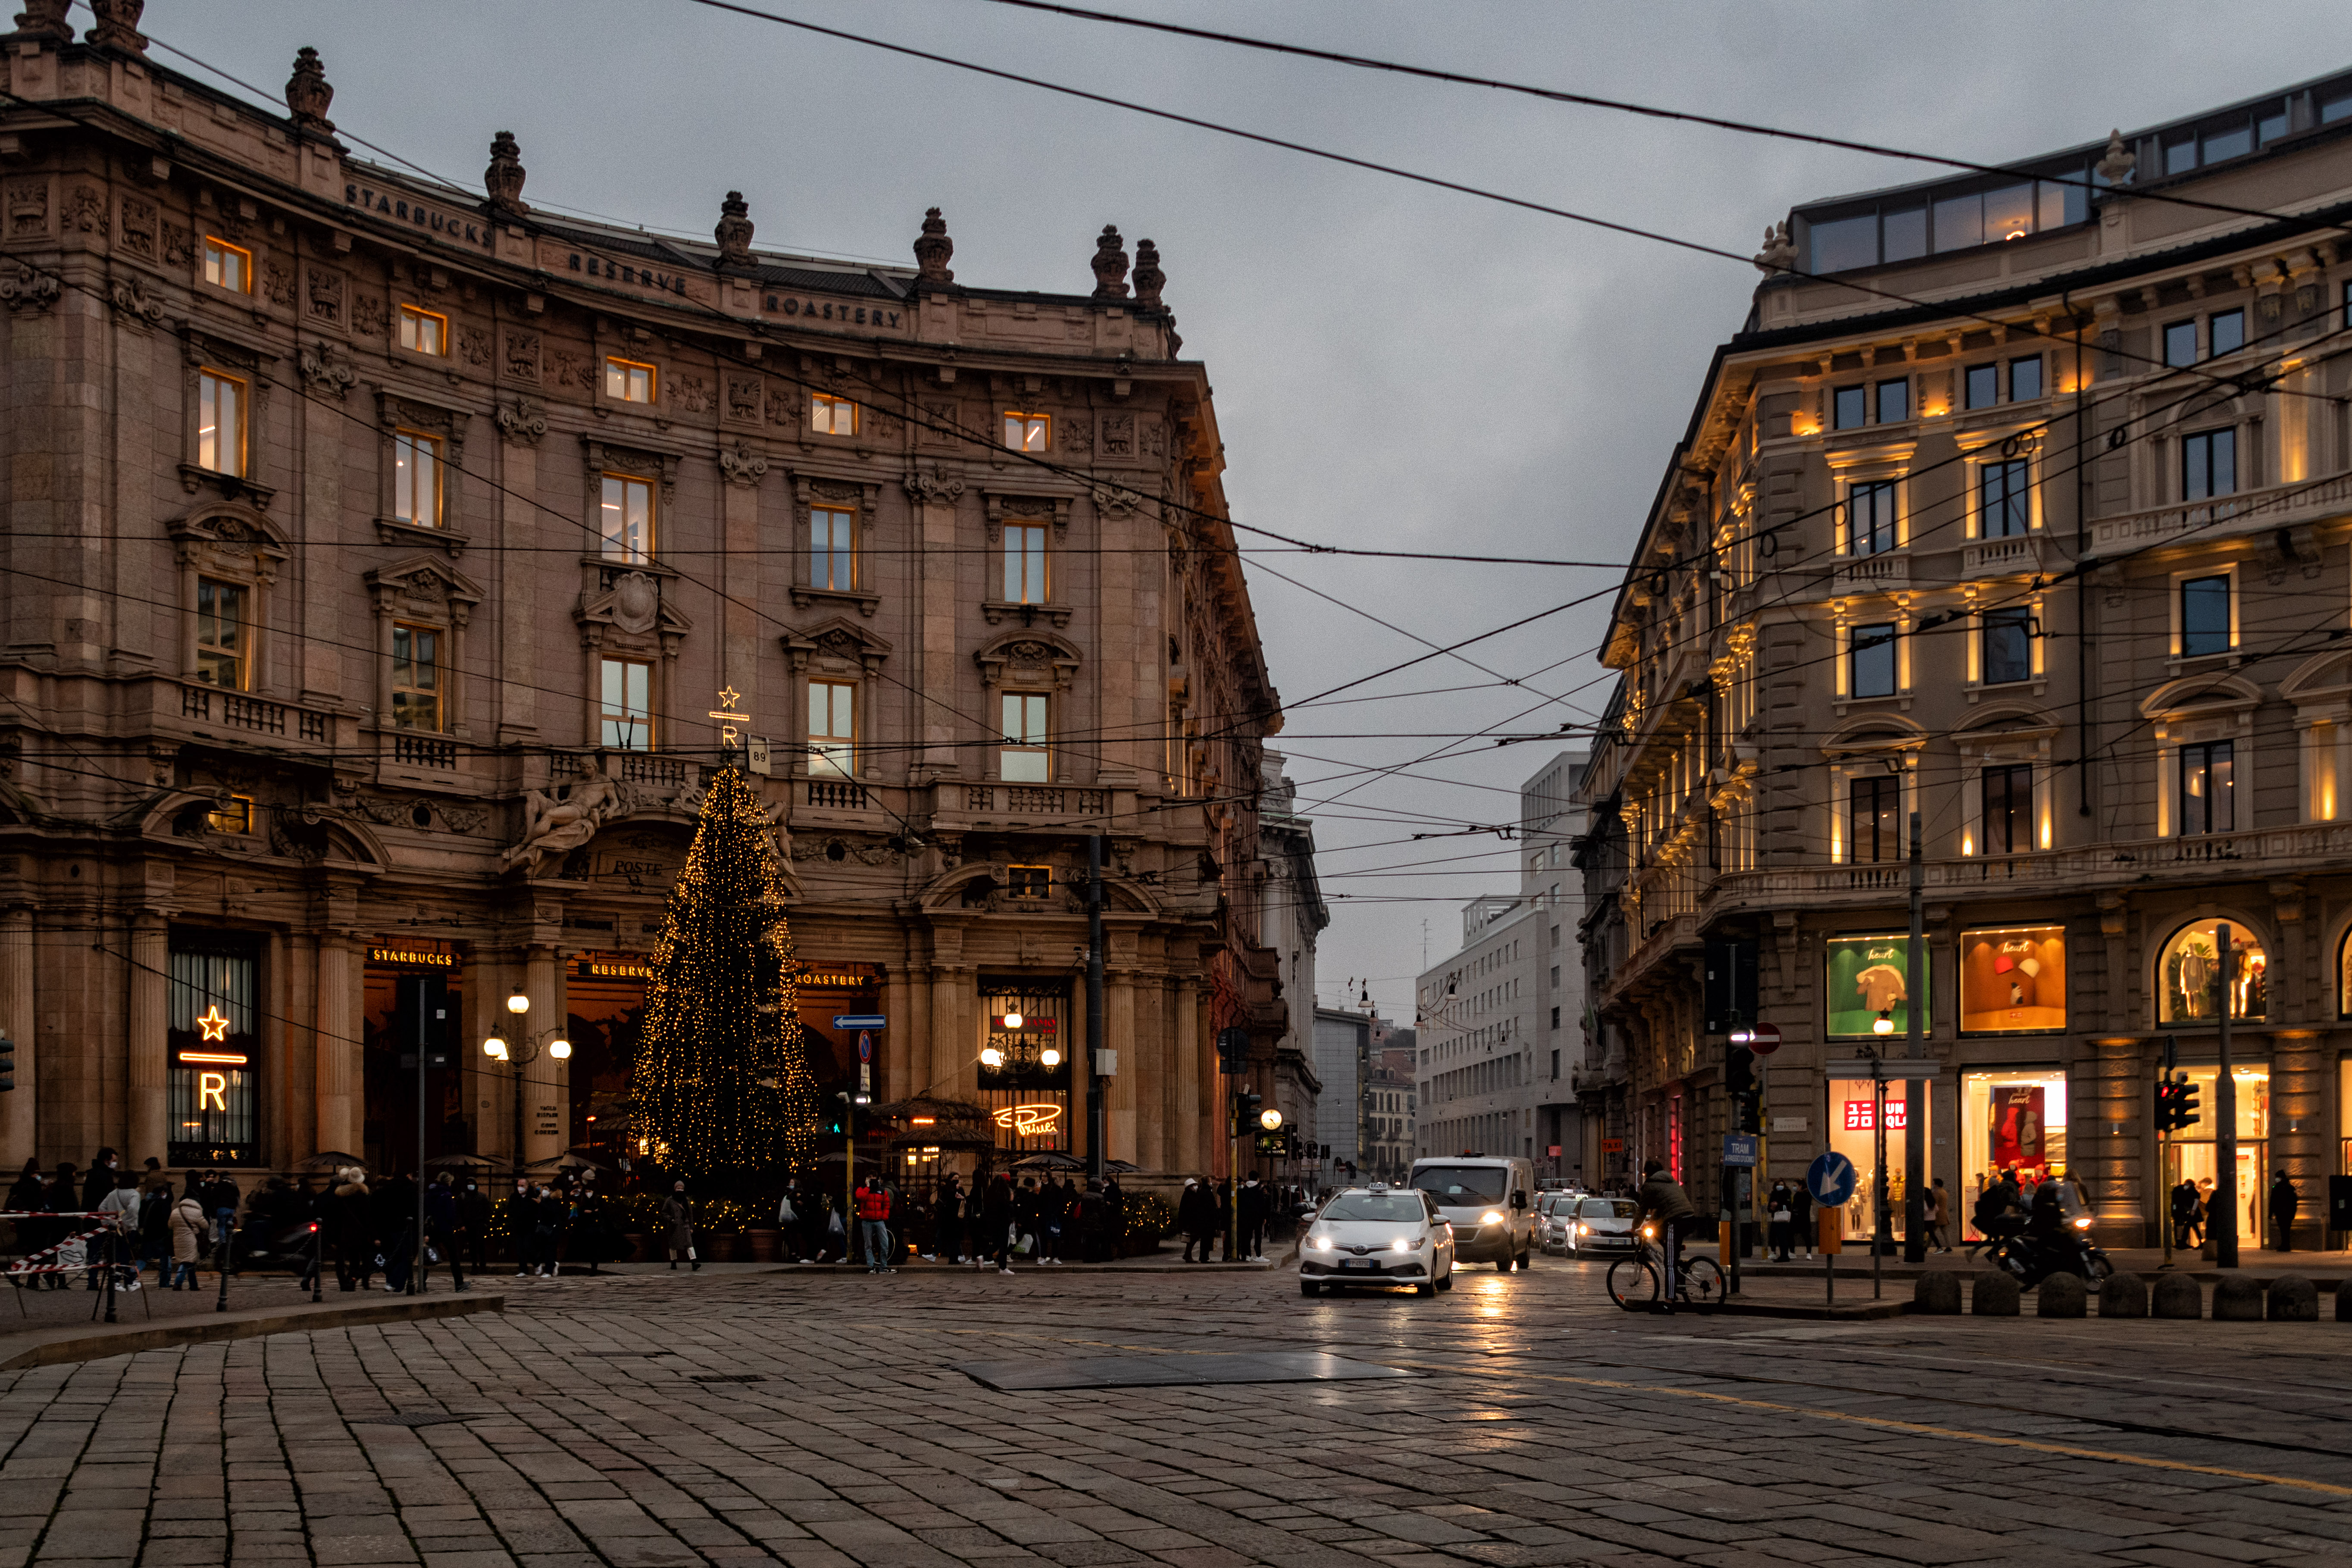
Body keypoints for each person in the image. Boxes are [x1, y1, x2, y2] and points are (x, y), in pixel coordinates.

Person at [1634, 1159, 1698, 1300]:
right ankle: (1679, 1273)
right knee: (1669, 1250)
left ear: (1648, 1174)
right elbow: (1662, 1208)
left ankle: (1669, 1302)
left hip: (1676, 1222)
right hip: (1690, 1219)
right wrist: (1650, 1224)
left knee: (1669, 1263)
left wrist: (1633, 1229)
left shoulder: (1650, 1186)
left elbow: (1641, 1211)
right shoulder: (1671, 1181)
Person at [96, 1170, 144, 1290]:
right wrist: (126, 1224)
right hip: (128, 1229)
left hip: (114, 1229)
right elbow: (133, 1209)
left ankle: (118, 1281)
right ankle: (127, 1281)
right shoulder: (134, 1194)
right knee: (127, 1256)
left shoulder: (113, 1193)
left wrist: (108, 1223)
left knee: (116, 1256)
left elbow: (102, 1208)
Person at [166, 1186, 208, 1290]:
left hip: (178, 1240)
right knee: (187, 1262)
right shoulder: (197, 1212)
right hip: (191, 1240)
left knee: (189, 1263)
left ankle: (194, 1285)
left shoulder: (176, 1212)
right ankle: (178, 1283)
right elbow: (205, 1226)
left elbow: (170, 1226)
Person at [854, 1176, 893, 1274]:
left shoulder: (881, 1190)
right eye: (870, 1179)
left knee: (885, 1245)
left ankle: (883, 1266)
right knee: (869, 1245)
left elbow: (887, 1204)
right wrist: (868, 1187)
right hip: (867, 1221)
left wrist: (883, 1217)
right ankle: (872, 1266)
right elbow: (861, 1197)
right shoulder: (863, 1189)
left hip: (878, 1220)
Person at [982, 1173, 1017, 1275]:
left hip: (993, 1223)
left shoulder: (989, 1194)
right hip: (1004, 1223)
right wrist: (1011, 1202)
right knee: (1003, 1246)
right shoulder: (1003, 1195)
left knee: (997, 1243)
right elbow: (1009, 1209)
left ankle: (983, 1256)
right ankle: (1003, 1267)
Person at [458, 1178, 492, 1276]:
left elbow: (487, 1210)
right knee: (472, 1247)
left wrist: (486, 1223)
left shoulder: (481, 1197)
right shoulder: (463, 1197)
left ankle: (483, 1266)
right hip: (469, 1225)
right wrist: (462, 1225)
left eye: (472, 1184)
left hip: (479, 1224)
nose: (471, 1186)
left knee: (481, 1246)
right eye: (469, 1184)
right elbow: (459, 1212)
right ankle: (475, 1267)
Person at [1176, 1178, 1211, 1263]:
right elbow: (1191, 1209)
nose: (1195, 1187)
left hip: (1192, 1221)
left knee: (1193, 1238)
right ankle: (1188, 1255)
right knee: (1193, 1237)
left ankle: (1188, 1255)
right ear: (1189, 1187)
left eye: (1196, 1185)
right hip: (1190, 1221)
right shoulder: (1189, 1196)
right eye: (1193, 1186)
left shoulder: (1192, 1195)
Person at [1236, 1175, 1268, 1263]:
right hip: (1258, 1217)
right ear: (1257, 1179)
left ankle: (1248, 1255)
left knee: (1247, 1236)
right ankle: (1258, 1255)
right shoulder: (1259, 1188)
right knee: (1258, 1236)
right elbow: (1262, 1204)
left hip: (1247, 1216)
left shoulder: (1245, 1188)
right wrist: (1264, 1217)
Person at [934, 1174, 964, 1264]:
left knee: (956, 1239)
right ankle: (952, 1257)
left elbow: (963, 1200)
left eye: (958, 1178)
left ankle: (956, 1257)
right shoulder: (947, 1189)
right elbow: (946, 1200)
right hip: (949, 1218)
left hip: (957, 1217)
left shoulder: (960, 1189)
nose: (957, 1180)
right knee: (950, 1239)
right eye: (955, 1178)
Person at [2270, 1172, 2299, 1253]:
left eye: (2277, 1178)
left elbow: (2273, 1202)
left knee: (2284, 1230)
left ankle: (2285, 1245)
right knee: (2285, 1230)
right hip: (2287, 1213)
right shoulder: (2290, 1188)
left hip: (2282, 1213)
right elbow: (2295, 1201)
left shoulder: (2277, 1188)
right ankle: (2285, 1245)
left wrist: (2271, 1214)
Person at [1766, 1181, 1794, 1262]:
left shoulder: (1787, 1194)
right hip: (1776, 1219)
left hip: (1784, 1220)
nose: (1780, 1186)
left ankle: (1784, 1256)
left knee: (1783, 1238)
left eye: (1782, 1185)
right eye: (1779, 1185)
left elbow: (1788, 1206)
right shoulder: (1774, 1194)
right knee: (1774, 1237)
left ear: (1785, 1186)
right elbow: (1769, 1208)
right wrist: (1772, 1208)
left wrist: (1777, 1206)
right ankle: (1777, 1254)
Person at [1925, 1177, 1952, 1254]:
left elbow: (1933, 1203)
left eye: (1933, 1183)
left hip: (1937, 1215)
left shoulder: (1936, 1192)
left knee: (1932, 1232)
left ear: (1936, 1185)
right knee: (1945, 1231)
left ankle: (1926, 1247)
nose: (1932, 1184)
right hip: (1944, 1214)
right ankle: (1949, 1246)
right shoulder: (1944, 1192)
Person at [1214, 1179, 1235, 1262]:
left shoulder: (1223, 1190)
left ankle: (1227, 1254)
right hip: (1230, 1215)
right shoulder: (1230, 1191)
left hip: (1225, 1215)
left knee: (1227, 1236)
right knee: (1229, 1236)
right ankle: (1229, 1253)